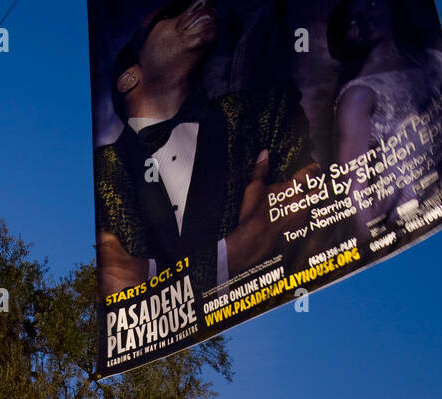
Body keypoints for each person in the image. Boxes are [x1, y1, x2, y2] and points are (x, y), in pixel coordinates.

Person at [95, 0, 317, 299]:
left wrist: (150, 273)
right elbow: (118, 287)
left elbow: (312, 201)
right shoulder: (101, 173)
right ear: (129, 78)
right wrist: (230, 256)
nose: (200, 2)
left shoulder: (265, 110)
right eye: (168, 13)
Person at [327, 0, 442, 244]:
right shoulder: (358, 95)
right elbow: (354, 189)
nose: (365, 20)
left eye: (372, 3)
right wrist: (374, 251)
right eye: (351, 20)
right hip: (411, 223)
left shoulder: (433, 60)